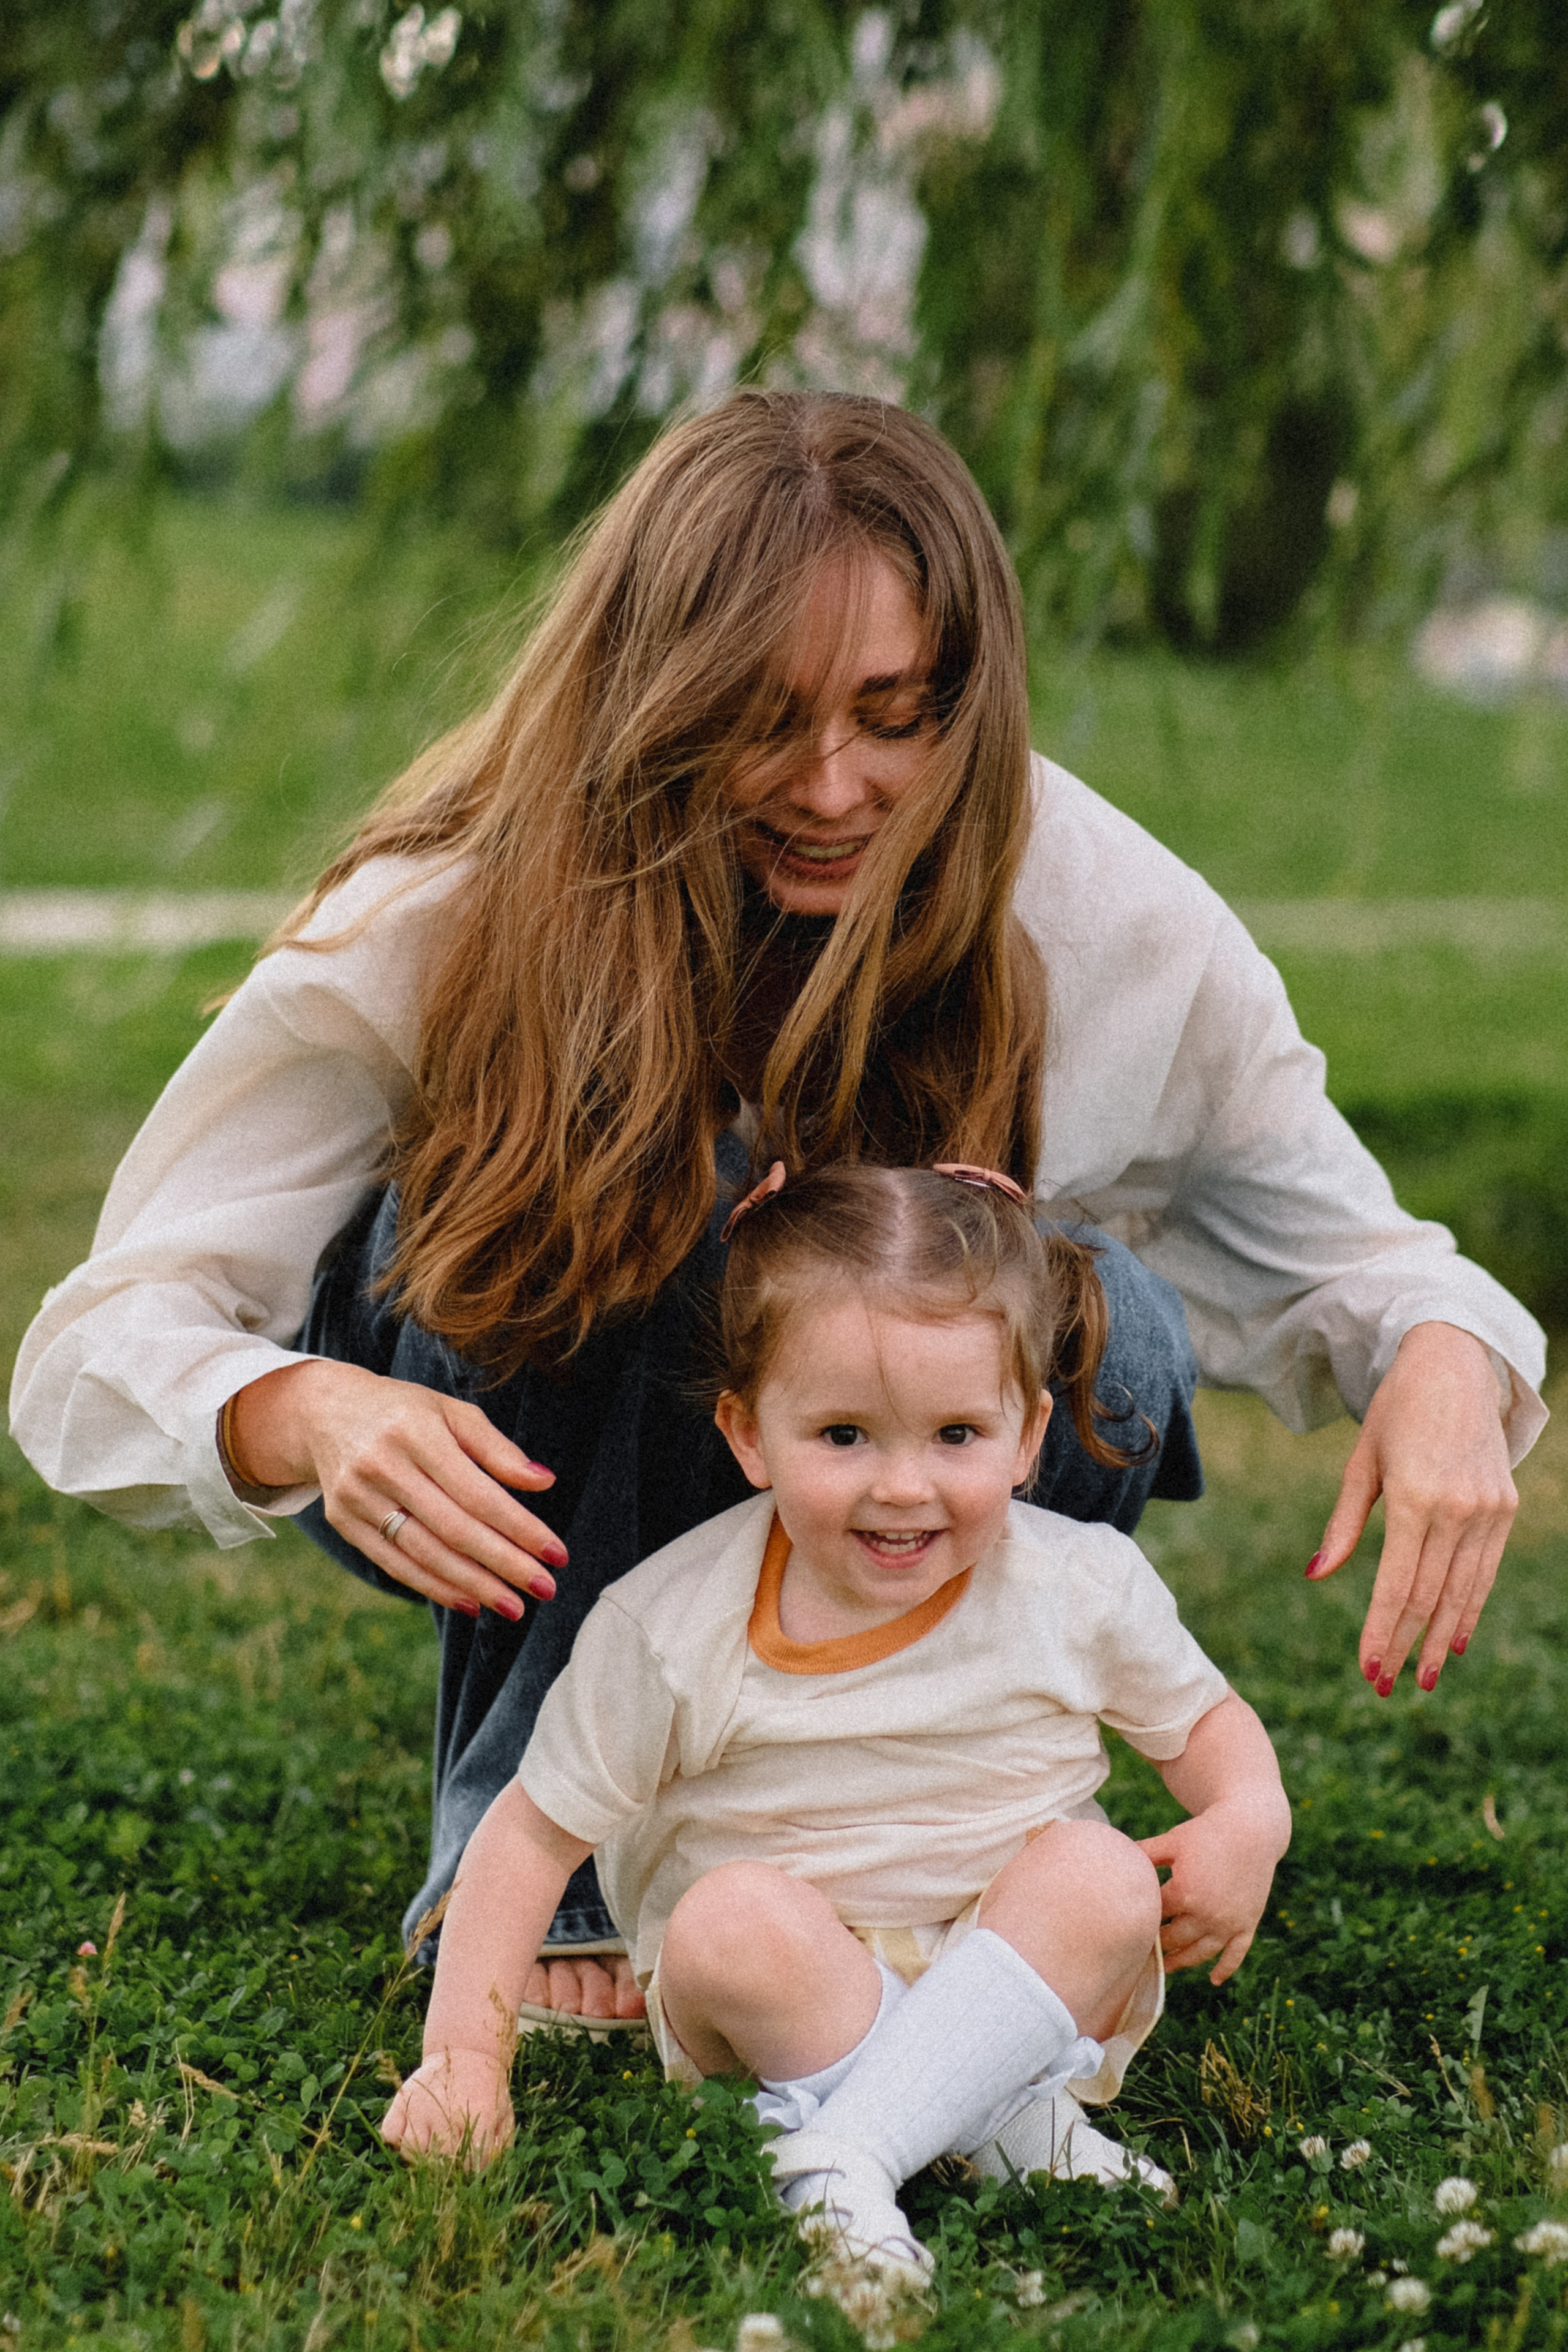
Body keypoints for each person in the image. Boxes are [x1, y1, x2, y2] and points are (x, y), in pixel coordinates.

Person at [9, 390, 1543, 2030]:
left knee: (1106, 1325)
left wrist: (1443, 1355)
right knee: (699, 1214)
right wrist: (308, 1415)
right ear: (653, 694)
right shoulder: (453, 904)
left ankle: (921, 1852)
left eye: (896, 716)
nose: (830, 786)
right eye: (761, 716)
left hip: (873, 1462)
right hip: (481, 1409)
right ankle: (555, 1865)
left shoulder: (1107, 913)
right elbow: (97, 1343)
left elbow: (1370, 1257)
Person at [380, 1164, 1292, 2277]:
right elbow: (530, 1835)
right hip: (792, 1994)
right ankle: (992, 2120)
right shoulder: (673, 1626)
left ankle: (846, 2147)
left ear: (1028, 1436)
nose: (903, 1486)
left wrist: (1249, 1819)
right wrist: (465, 2058)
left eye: (956, 1434)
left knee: (1102, 1877)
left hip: (1013, 1968)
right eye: (845, 1435)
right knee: (728, 1923)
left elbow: (1210, 1729)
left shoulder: (1079, 1586)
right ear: (749, 1434)